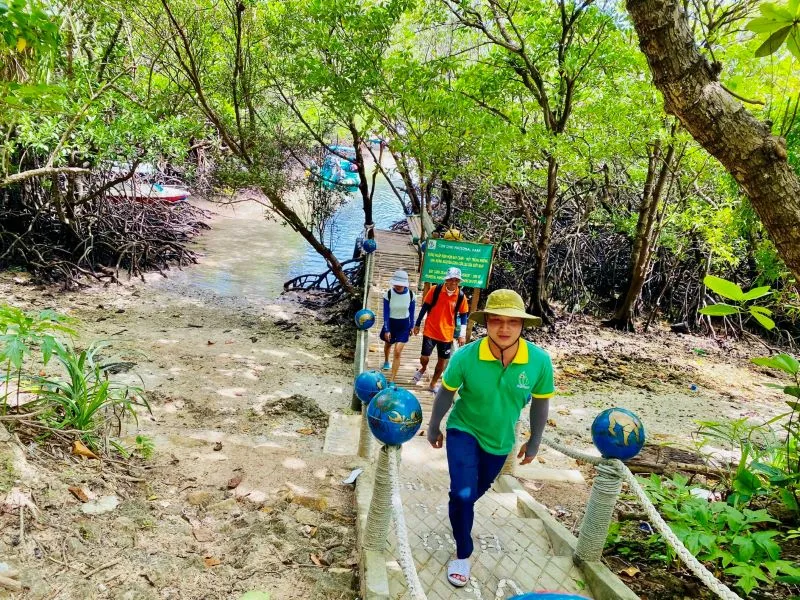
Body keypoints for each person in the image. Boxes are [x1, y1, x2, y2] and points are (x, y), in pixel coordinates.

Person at [426, 289, 554, 588]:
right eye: (496, 321)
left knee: (469, 496)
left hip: (499, 441)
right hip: (464, 430)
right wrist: (434, 426)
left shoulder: (539, 361)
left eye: (512, 322)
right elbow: (447, 392)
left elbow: (540, 402)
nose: (504, 328)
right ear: (486, 323)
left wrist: (534, 442)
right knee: (462, 494)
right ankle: (462, 552)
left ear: (523, 325)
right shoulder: (466, 356)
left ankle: (459, 512)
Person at [412, 267, 470, 393]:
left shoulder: (460, 296)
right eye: (451, 279)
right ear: (446, 280)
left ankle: (433, 384)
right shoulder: (436, 290)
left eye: (456, 280)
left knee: (442, 361)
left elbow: (464, 315)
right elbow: (425, 307)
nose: (454, 282)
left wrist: (462, 335)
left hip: (447, 334)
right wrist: (417, 324)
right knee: (424, 357)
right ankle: (423, 368)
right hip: (431, 330)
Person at [379, 270, 415, 384]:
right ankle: (386, 360)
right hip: (391, 323)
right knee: (388, 345)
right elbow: (385, 313)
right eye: (396, 283)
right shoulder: (388, 294)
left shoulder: (411, 295)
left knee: (398, 351)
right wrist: (386, 329)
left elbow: (412, 312)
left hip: (404, 325)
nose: (398, 286)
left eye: (401, 284)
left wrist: (412, 326)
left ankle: (392, 379)